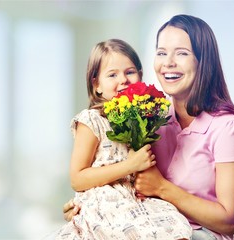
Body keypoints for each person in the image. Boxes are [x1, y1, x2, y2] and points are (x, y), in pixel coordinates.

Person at [62, 15, 234, 240]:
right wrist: (90, 210)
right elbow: (121, 179)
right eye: (162, 52)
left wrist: (161, 188)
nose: (168, 62)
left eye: (182, 53)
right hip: (144, 227)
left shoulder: (228, 128)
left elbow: (228, 222)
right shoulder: (149, 119)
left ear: (203, 61)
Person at [55, 39, 192, 240]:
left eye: (129, 72)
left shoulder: (143, 118)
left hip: (136, 201)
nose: (123, 80)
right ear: (96, 85)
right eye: (112, 74)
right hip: (106, 202)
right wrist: (130, 165)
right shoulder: (92, 120)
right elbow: (77, 179)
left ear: (141, 75)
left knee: (177, 226)